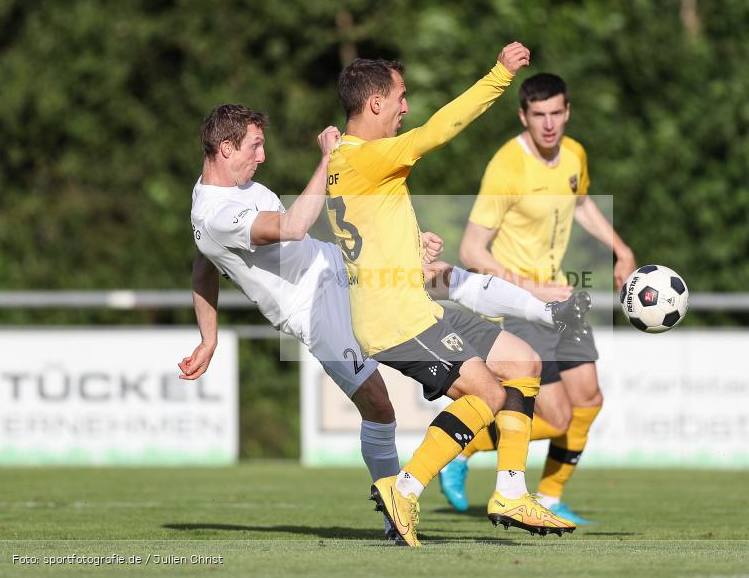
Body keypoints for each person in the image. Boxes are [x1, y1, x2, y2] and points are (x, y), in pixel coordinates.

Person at [178, 104, 585, 542]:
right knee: (378, 405)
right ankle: (398, 513)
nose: (262, 157)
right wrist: (327, 158)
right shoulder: (213, 214)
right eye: (255, 146)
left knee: (442, 278)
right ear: (225, 147)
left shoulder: (228, 193)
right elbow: (295, 226)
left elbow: (203, 265)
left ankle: (545, 315)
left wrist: (209, 337)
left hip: (333, 264)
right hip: (312, 311)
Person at [328, 43, 576, 547]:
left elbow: (367, 231)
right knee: (487, 394)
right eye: (400, 97)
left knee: (523, 362)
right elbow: (440, 128)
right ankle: (406, 488)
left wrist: (410, 249)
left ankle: (510, 490)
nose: (406, 107)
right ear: (374, 103)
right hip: (400, 321)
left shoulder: (344, 159)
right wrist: (499, 75)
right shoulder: (370, 155)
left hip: (416, 305)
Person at [441, 73, 637, 525]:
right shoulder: (507, 166)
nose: (549, 124)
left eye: (556, 113)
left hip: (562, 298)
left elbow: (582, 202)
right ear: (524, 116)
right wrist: (530, 290)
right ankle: (460, 449)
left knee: (588, 400)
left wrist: (621, 249)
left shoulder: (574, 154)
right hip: (519, 303)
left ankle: (550, 496)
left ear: (567, 112)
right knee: (557, 415)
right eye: (539, 115)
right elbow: (472, 250)